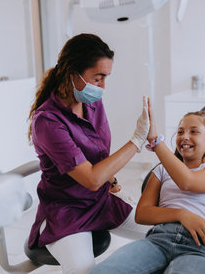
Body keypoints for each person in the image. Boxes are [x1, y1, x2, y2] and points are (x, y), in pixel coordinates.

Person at [27, 33, 150, 274]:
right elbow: (92, 179)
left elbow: (98, 157)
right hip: (67, 213)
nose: (103, 86)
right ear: (72, 73)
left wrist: (113, 182)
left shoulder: (92, 103)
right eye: (98, 77)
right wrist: (136, 140)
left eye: (106, 77)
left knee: (168, 233)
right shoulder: (48, 121)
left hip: (101, 201)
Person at [90, 103, 205, 274]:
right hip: (158, 240)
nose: (184, 137)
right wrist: (181, 215)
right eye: (181, 131)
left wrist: (155, 142)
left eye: (194, 131)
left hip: (201, 248)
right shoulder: (161, 170)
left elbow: (188, 182)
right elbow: (142, 214)